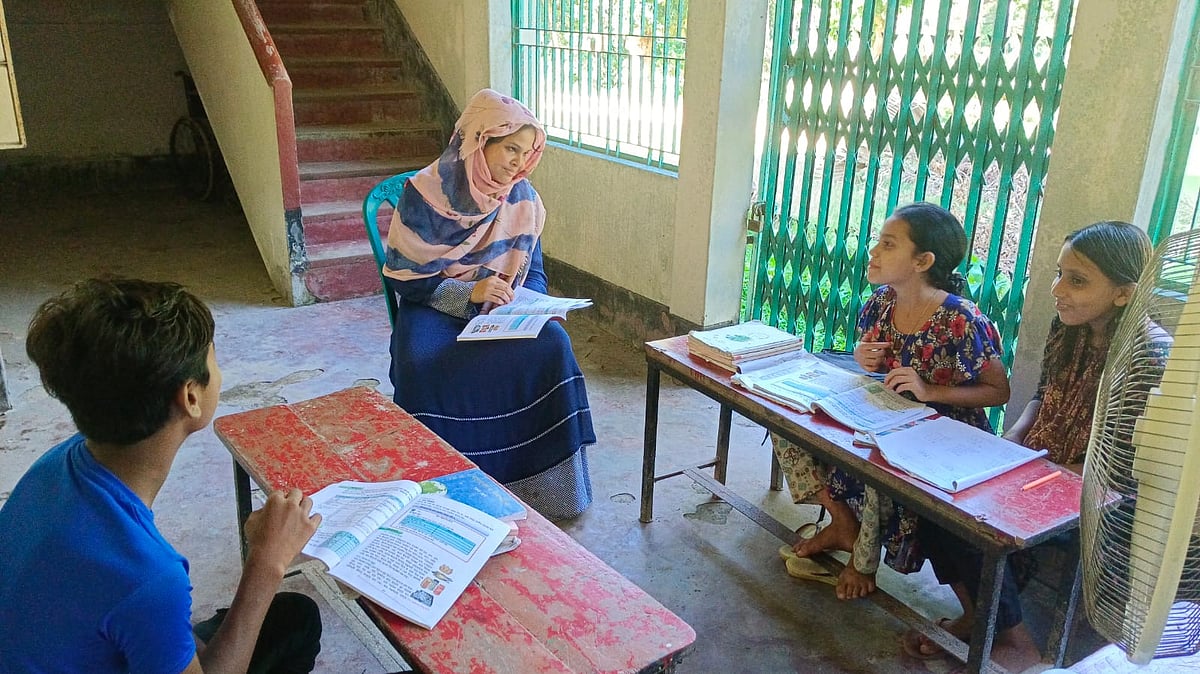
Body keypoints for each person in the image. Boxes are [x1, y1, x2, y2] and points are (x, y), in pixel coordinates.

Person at [0, 278, 323, 673]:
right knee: (288, 622)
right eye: (214, 358)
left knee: (294, 618)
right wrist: (267, 560)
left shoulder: (56, 465)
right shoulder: (150, 577)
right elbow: (138, 589)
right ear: (190, 396)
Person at [908, 221, 1162, 671]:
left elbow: (1120, 466)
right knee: (931, 501)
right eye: (1060, 273)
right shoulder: (1068, 327)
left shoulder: (1148, 356)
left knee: (980, 524)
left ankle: (1015, 640)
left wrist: (1037, 475)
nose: (1057, 289)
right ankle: (978, 614)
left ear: (1124, 293)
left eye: (1077, 280)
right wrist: (1014, 439)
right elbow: (1042, 396)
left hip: (1097, 495)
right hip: (1037, 461)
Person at [772, 202, 1009, 600]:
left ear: (923, 261)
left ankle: (862, 562)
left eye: (888, 244)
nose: (874, 252)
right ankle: (842, 522)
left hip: (939, 435)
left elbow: (998, 391)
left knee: (876, 464)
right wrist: (864, 357)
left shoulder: (961, 319)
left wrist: (931, 391)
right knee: (789, 423)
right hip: (884, 413)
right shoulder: (882, 302)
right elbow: (871, 359)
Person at [381, 88, 595, 521]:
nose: (518, 162)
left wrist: (526, 301)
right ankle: (442, 494)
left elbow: (531, 268)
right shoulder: (424, 194)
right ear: (479, 142)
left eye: (527, 151)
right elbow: (407, 280)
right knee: (421, 360)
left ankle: (548, 495)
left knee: (552, 343)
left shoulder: (524, 199)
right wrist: (471, 293)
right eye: (510, 148)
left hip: (501, 307)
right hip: (434, 303)